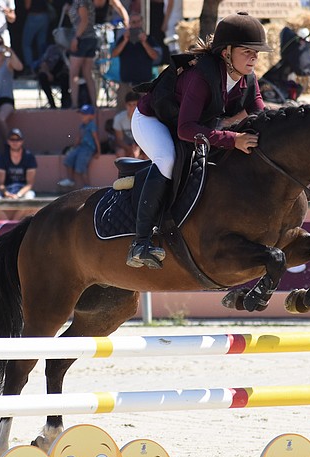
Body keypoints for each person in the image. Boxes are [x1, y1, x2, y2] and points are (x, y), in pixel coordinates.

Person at [127, 11, 269, 269]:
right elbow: (185, 129)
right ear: (226, 52)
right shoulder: (200, 77)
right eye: (247, 51)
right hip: (152, 121)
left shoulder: (249, 80)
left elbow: (261, 114)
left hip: (190, 123)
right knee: (167, 159)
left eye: (256, 53)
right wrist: (232, 138)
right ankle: (141, 242)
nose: (254, 58)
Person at [111, 14, 159, 108]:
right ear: (129, 24)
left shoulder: (149, 39)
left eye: (138, 22)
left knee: (145, 112)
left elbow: (155, 56)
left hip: (144, 86)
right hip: (126, 85)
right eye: (133, 22)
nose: (136, 25)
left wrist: (144, 42)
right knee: (122, 113)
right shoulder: (123, 38)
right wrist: (125, 40)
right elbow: (114, 54)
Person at [64, 0, 99, 108]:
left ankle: (74, 104)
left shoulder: (82, 2)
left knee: (73, 73)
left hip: (83, 39)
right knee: (87, 73)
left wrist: (76, 38)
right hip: (91, 38)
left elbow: (84, 21)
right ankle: (94, 104)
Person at [58, 104, 100, 190]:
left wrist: (98, 151)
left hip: (88, 149)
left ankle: (87, 186)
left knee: (81, 166)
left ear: (91, 116)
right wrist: (74, 147)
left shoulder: (92, 125)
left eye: (85, 114)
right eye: (81, 113)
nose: (82, 116)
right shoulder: (82, 126)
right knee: (69, 159)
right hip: (80, 147)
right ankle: (70, 180)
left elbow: (96, 139)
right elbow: (79, 137)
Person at [0, 128, 37, 199]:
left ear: (22, 141)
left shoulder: (29, 157)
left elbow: (29, 184)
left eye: (18, 140)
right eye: (12, 140)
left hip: (23, 190)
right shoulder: (3, 157)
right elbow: (0, 184)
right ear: (8, 141)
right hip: (6, 189)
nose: (15, 142)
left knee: (29, 199)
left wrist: (18, 195)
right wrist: (7, 194)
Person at [35, 43, 72, 108]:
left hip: (63, 75)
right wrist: (48, 73)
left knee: (65, 77)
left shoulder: (71, 49)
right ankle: (52, 103)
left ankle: (64, 102)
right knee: (42, 76)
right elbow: (43, 63)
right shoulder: (52, 49)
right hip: (50, 72)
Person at [23, 0, 53, 72]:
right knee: (42, 45)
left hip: (34, 16)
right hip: (45, 17)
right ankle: (43, 68)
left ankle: (30, 68)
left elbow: (27, 6)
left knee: (26, 44)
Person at [112, 90, 142, 157]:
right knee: (120, 153)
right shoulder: (119, 118)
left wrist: (138, 148)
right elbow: (119, 139)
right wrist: (129, 149)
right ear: (126, 105)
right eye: (129, 105)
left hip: (141, 146)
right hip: (125, 146)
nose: (131, 107)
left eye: (134, 105)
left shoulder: (144, 119)